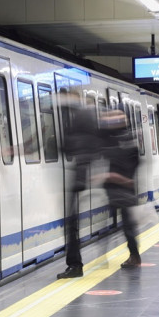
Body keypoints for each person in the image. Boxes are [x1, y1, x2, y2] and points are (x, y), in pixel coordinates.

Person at [56, 93, 103, 279]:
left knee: (72, 223)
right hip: (83, 176)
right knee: (72, 223)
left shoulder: (81, 116)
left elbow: (69, 145)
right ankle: (76, 263)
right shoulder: (87, 116)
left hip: (80, 177)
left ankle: (75, 265)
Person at [98, 110, 142, 268]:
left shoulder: (121, 140)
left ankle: (134, 255)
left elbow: (124, 161)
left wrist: (113, 176)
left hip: (122, 187)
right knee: (125, 223)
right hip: (121, 187)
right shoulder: (126, 138)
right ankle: (133, 255)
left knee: (127, 224)